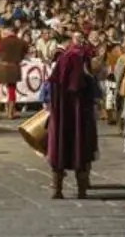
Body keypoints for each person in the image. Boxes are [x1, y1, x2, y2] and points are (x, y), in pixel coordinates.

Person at [44, 33, 98, 200]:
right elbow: (93, 92)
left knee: (59, 146)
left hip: (61, 117)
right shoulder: (83, 67)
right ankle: (81, 190)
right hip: (81, 117)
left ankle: (57, 190)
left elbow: (51, 91)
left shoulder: (61, 66)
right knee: (81, 147)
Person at [0, 27, 27, 120]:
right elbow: (23, 55)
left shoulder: (2, 41)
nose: (3, 34)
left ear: (8, 33)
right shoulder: (22, 42)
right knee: (12, 90)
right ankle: (10, 113)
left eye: (4, 33)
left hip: (2, 66)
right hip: (15, 67)